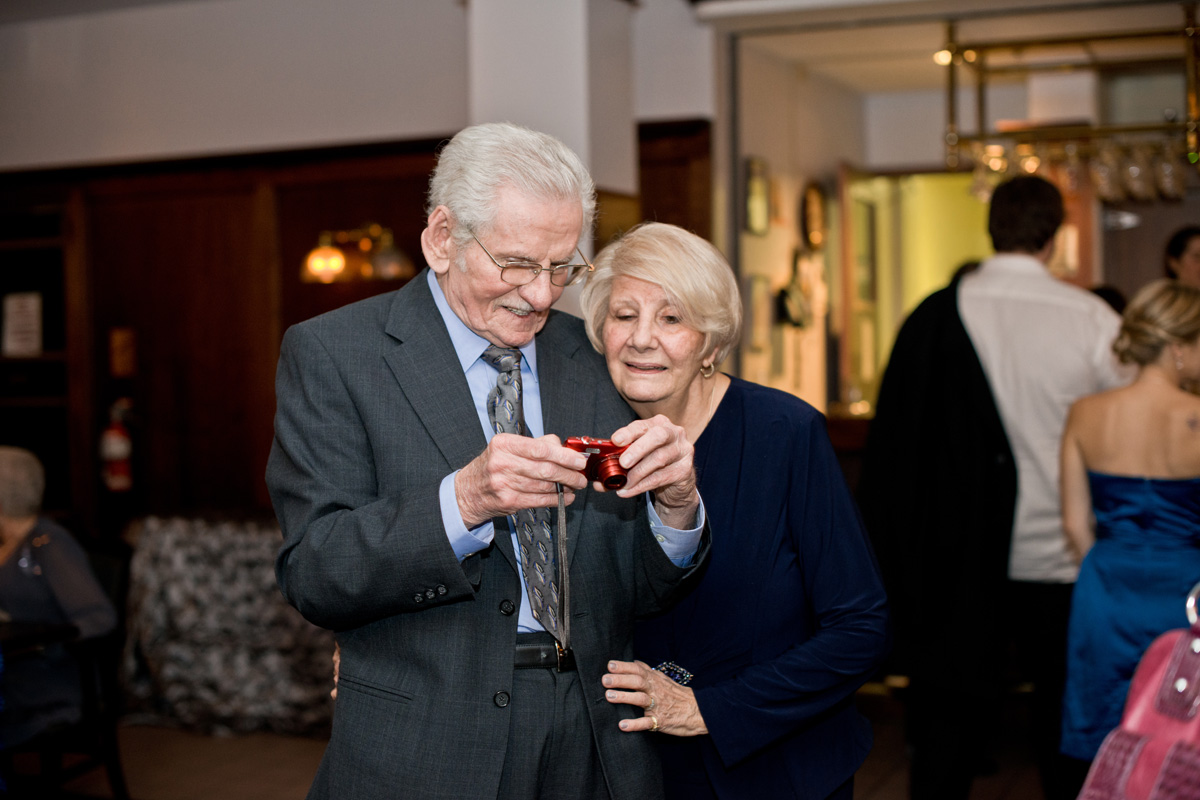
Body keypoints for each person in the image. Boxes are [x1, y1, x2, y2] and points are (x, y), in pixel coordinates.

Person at [266, 122, 710, 800]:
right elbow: (315, 571)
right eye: (518, 264)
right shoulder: (337, 354)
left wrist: (676, 509)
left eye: (562, 267)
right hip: (425, 740)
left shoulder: (590, 354)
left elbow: (636, 587)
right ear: (443, 238)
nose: (541, 294)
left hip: (594, 734)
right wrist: (463, 502)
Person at [579, 222, 890, 800]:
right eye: (625, 315)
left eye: (671, 319)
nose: (642, 338)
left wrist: (709, 710)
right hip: (628, 773)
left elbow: (861, 629)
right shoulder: (584, 442)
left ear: (712, 343)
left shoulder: (786, 434)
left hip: (775, 769)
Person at [858, 174, 1133, 800]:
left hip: (955, 561)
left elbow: (896, 452)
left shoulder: (932, 314)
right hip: (1064, 556)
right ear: (1056, 234)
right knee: (1066, 727)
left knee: (946, 737)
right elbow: (1121, 437)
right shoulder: (1092, 318)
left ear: (991, 228)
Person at [1059, 278, 1200, 769]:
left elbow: (1076, 526)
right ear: (1179, 347)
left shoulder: (1086, 412)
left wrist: (1108, 572)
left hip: (1106, 590)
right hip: (1185, 595)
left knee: (1107, 736)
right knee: (1181, 743)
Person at [0, 446, 117, 749]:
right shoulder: (9, 546)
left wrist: (42, 642)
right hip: (16, 671)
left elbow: (99, 617)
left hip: (50, 678)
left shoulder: (48, 544)